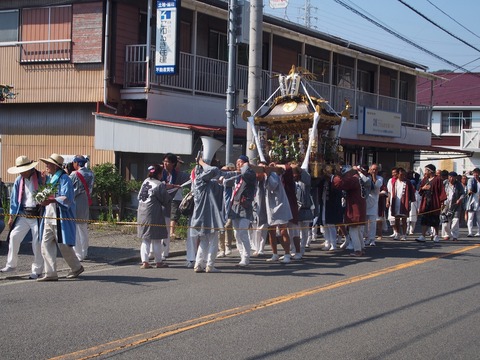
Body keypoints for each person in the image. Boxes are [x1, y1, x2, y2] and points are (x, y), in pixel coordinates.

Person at [37, 153, 84, 281]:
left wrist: (50, 200)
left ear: (55, 166)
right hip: (49, 216)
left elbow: (67, 198)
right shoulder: (51, 179)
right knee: (45, 244)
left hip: (59, 217)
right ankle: (50, 273)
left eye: (48, 164)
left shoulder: (65, 179)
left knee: (63, 245)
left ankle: (76, 267)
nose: (46, 166)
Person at [0, 156, 44, 279]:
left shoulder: (41, 178)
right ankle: (11, 264)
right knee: (14, 236)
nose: (21, 173)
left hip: (37, 215)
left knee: (37, 243)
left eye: (23, 170)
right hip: (23, 214)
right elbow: (14, 200)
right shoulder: (19, 180)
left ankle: (37, 270)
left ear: (30, 169)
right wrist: (11, 217)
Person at [190, 157, 228, 273]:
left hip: (199, 215)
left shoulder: (198, 182)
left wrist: (219, 181)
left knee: (204, 241)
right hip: (208, 216)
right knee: (213, 241)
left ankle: (198, 264)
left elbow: (214, 178)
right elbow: (213, 170)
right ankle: (210, 265)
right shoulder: (201, 180)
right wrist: (201, 162)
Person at [137, 164, 171, 269]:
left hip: (141, 212)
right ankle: (158, 262)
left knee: (145, 239)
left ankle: (145, 262)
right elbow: (165, 200)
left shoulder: (145, 181)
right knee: (156, 238)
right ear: (159, 174)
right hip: (153, 213)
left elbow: (139, 196)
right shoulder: (159, 184)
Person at [258, 162, 293, 264]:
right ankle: (275, 254)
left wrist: (268, 173)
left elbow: (273, 185)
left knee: (283, 230)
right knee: (271, 230)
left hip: (280, 204)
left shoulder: (272, 174)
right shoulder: (264, 176)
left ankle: (287, 254)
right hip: (270, 206)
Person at [332, 165, 367, 257]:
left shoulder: (354, 180)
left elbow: (339, 184)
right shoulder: (358, 179)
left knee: (353, 229)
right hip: (360, 206)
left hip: (355, 207)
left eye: (345, 174)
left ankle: (358, 250)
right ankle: (361, 248)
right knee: (358, 229)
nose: (345, 176)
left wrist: (335, 176)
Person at [228, 155, 256, 267]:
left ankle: (246, 257)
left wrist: (245, 165)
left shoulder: (249, 173)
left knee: (243, 232)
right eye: (237, 162)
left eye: (240, 162)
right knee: (237, 234)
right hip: (235, 206)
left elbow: (245, 173)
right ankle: (241, 256)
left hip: (245, 207)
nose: (237, 164)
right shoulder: (237, 175)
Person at [161, 153, 189, 259]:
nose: (165, 163)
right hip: (157, 203)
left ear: (173, 163)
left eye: (167, 161)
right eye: (164, 161)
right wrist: (172, 186)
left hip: (170, 202)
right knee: (155, 229)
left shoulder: (179, 174)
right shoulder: (160, 171)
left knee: (167, 228)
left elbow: (190, 178)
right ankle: (153, 252)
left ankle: (164, 252)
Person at [70, 155, 94, 261]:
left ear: (77, 163)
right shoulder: (90, 173)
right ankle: (85, 252)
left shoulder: (74, 174)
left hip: (76, 202)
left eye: (74, 162)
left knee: (75, 230)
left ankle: (78, 254)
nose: (73, 164)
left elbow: (71, 190)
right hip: (86, 201)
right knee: (83, 229)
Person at [415, 164, 447, 243]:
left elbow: (441, 191)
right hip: (426, 202)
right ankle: (423, 235)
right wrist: (423, 188)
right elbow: (420, 189)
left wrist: (442, 202)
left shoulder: (438, 179)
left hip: (434, 201)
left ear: (430, 171)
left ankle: (436, 235)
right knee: (424, 218)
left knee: (435, 219)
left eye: (426, 170)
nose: (425, 172)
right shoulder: (425, 179)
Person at [386, 167, 415, 241]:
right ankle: (397, 233)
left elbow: (411, 192)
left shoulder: (408, 182)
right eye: (400, 174)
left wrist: (411, 201)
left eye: (403, 174)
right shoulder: (394, 182)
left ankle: (404, 234)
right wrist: (388, 201)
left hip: (404, 202)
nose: (402, 176)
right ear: (398, 174)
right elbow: (390, 192)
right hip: (396, 202)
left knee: (404, 220)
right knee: (397, 220)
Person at [217, 162, 236, 258]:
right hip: (219, 208)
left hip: (229, 208)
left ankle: (228, 246)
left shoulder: (231, 182)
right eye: (223, 171)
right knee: (220, 228)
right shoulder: (218, 183)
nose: (224, 173)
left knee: (228, 225)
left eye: (226, 171)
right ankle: (221, 249)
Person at [441, 172, 464, 241]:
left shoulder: (458, 184)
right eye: (450, 177)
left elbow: (462, 194)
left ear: (455, 178)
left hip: (456, 204)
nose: (451, 179)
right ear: (448, 177)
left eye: (453, 177)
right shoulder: (445, 183)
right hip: (445, 203)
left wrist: (460, 199)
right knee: (445, 220)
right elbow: (440, 192)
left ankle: (455, 236)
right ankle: (446, 234)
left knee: (455, 220)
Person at [465, 168, 480, 237]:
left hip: (479, 201)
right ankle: (470, 232)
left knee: (478, 218)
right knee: (470, 217)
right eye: (474, 173)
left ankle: (478, 231)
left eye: (477, 173)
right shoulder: (471, 180)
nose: (476, 174)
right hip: (472, 201)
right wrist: (470, 190)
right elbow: (469, 188)